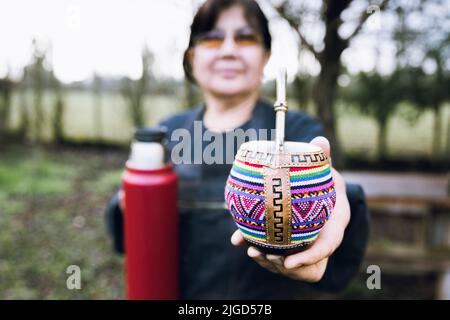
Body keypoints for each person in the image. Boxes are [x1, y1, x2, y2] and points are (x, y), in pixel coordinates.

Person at [105, 0, 369, 299]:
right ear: (192, 56)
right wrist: (132, 204)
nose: (228, 50)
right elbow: (131, 238)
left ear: (265, 55)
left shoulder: (297, 132)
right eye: (212, 38)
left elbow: (328, 180)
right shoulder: (167, 134)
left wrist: (335, 196)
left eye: (245, 38)